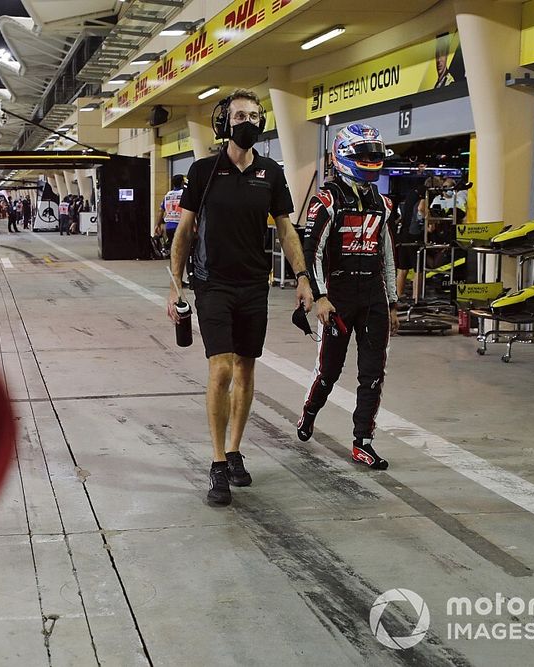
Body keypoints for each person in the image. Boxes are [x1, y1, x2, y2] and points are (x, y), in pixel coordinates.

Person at [167, 89, 312, 506]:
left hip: (254, 285)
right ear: (223, 123)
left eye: (253, 115)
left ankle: (234, 451)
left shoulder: (271, 173)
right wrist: (175, 285)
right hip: (212, 284)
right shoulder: (203, 170)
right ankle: (216, 464)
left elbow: (286, 229)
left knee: (246, 370)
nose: (246, 121)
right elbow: (185, 231)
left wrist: (302, 277)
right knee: (221, 370)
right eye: (238, 115)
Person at [297, 123, 400, 470]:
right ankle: (309, 413)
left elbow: (387, 252)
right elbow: (310, 251)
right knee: (329, 371)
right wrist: (321, 297)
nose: (371, 160)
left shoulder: (383, 204)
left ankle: (363, 441)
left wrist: (393, 301)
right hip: (338, 297)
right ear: (343, 155)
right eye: (364, 154)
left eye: (375, 154)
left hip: (373, 297)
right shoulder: (326, 200)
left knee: (373, 374)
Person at [156, 174, 186, 257]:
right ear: (182, 182)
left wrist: (157, 225)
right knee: (183, 248)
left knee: (174, 247)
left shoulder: (168, 195)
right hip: (181, 225)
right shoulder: (184, 194)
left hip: (169, 226)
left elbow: (160, 210)